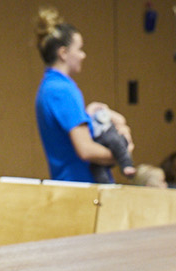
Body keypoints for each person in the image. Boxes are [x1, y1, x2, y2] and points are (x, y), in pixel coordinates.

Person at [33, 8, 130, 183]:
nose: (83, 55)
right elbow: (85, 149)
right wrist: (123, 153)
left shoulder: (49, 87)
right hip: (81, 187)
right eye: (79, 49)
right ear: (63, 53)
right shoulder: (62, 90)